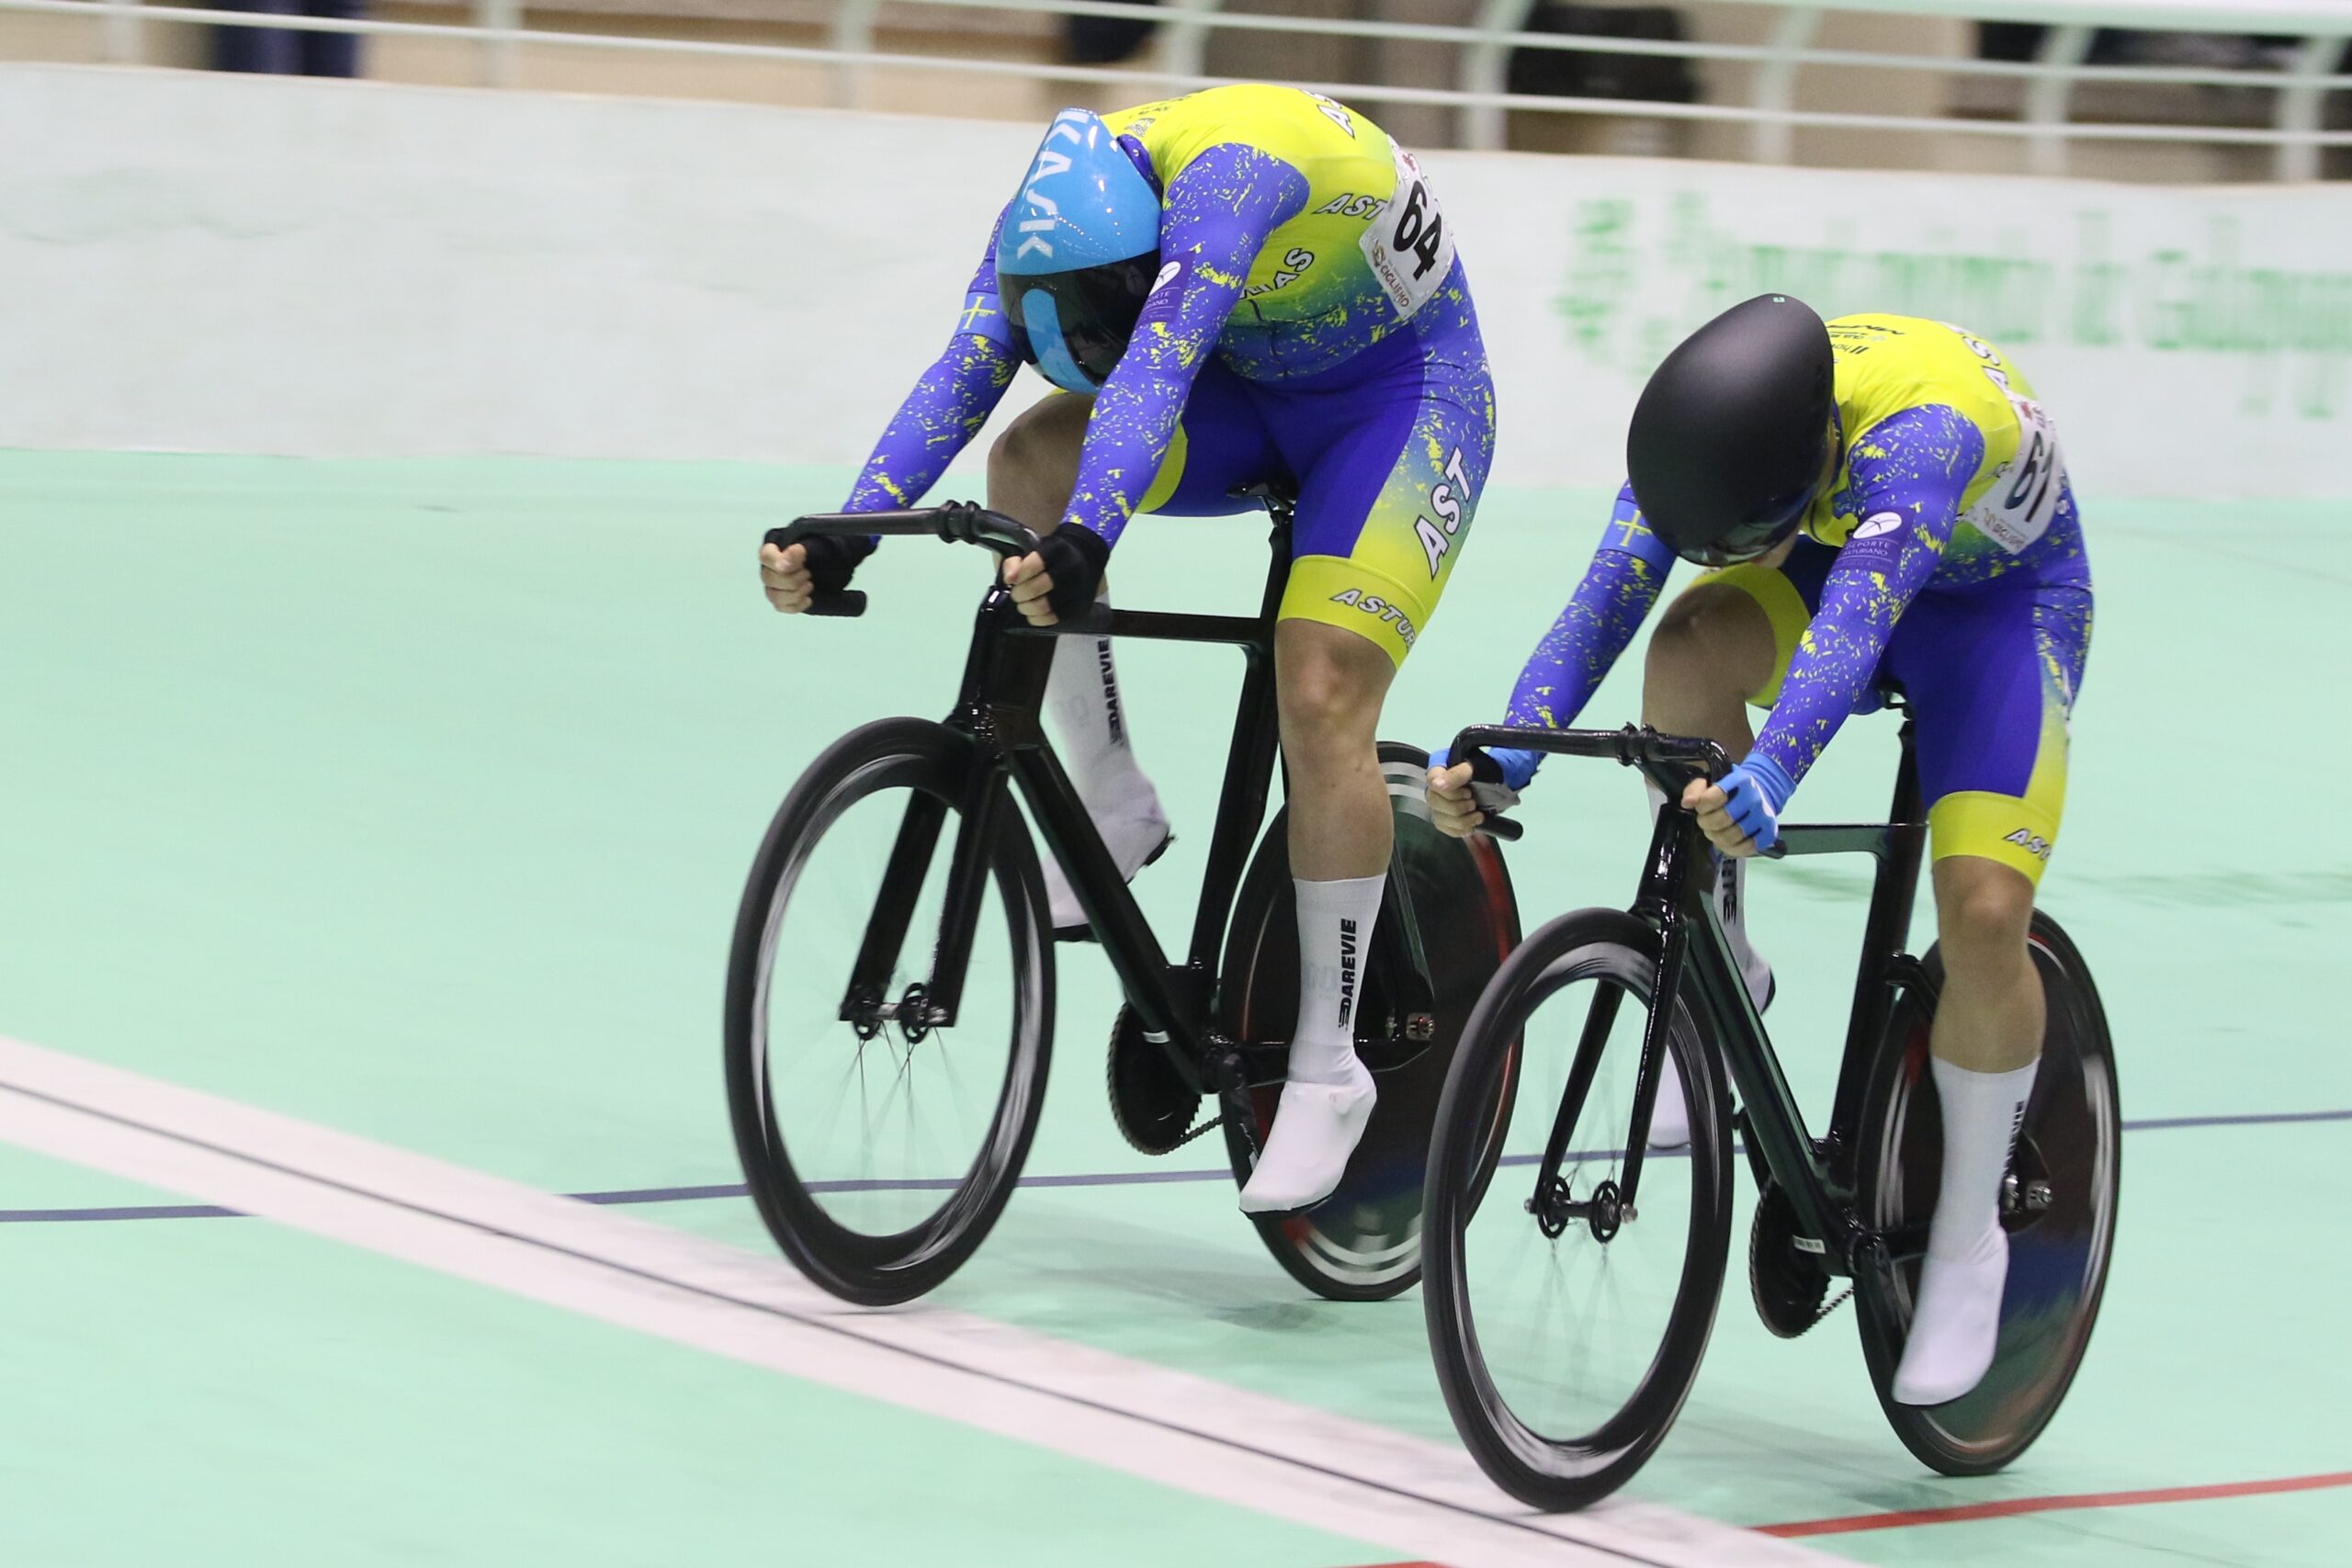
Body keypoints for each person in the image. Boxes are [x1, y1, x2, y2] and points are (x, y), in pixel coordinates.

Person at [760, 85, 1496, 1214]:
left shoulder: (1229, 179)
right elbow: (965, 371)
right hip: (1248, 382)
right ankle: (1113, 797)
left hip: (1401, 404)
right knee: (1029, 468)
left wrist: (1091, 537)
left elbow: (1152, 368)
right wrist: (849, 528)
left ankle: (1327, 1065)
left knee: (1317, 688)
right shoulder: (1042, 220)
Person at [1426, 295, 2091, 1406]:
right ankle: (1725, 960)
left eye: (1737, 539)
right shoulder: (1701, 445)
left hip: (1998, 612)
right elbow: (1606, 602)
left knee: (1982, 913)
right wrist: (1511, 752)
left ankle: (1968, 1235)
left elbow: (1855, 627)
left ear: (1805, 472)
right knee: (1687, 644)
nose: (1716, 553)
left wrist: (1772, 771)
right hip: (1837, 556)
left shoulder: (1921, 435)